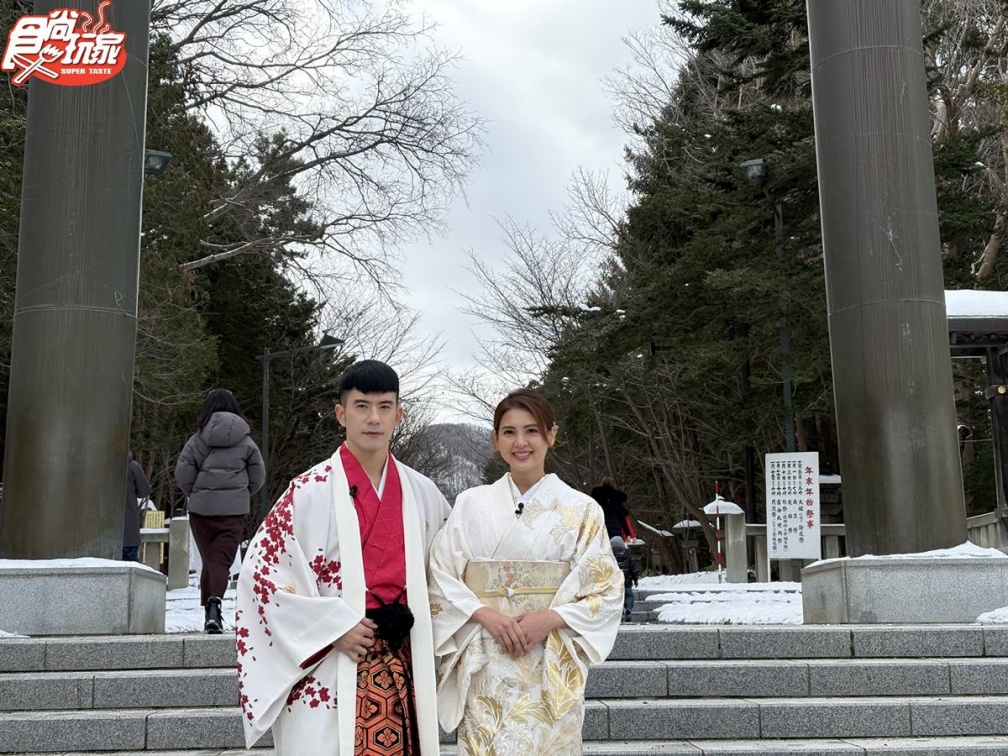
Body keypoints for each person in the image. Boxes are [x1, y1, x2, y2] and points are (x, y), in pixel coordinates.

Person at [234, 360, 451, 755]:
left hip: (403, 655)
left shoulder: (424, 493)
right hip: (332, 658)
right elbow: (262, 578)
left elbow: (451, 573)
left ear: (399, 414)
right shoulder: (307, 492)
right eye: (361, 405)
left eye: (385, 406)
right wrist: (334, 627)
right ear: (341, 413)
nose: (374, 418)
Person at [427, 388, 624, 754]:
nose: (521, 442)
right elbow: (440, 575)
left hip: (550, 658)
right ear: (495, 440)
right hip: (486, 659)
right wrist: (486, 615)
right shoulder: (471, 505)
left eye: (532, 431)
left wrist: (550, 617)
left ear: (551, 435)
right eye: (509, 432)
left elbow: (607, 592)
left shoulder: (582, 510)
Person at [175, 389, 265, 634]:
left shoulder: (196, 440)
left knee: (211, 561)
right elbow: (258, 476)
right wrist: (242, 493)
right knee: (220, 561)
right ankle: (214, 607)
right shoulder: (246, 441)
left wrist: (197, 492)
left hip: (201, 511)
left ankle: (209, 612)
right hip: (233, 511)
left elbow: (182, 473)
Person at [122, 452, 151, 562]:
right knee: (129, 563)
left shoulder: (99, 466)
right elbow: (144, 491)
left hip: (101, 532)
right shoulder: (132, 466)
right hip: (128, 528)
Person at [591, 475, 638, 542]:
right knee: (614, 548)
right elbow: (622, 519)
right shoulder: (617, 499)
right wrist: (628, 534)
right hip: (615, 530)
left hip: (600, 528)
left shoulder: (596, 499)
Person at [610, 536, 639, 622]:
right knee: (629, 595)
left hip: (615, 581)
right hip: (627, 580)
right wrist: (635, 579)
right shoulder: (627, 554)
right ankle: (628, 608)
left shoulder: (609, 555)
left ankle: (620, 611)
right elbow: (633, 568)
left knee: (617, 597)